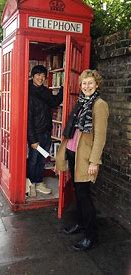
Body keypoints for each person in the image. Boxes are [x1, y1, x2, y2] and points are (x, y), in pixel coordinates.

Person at [56, 69, 109, 251]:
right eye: (84, 83)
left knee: (85, 196)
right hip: (73, 153)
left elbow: (100, 136)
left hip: (85, 158)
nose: (86, 86)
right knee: (78, 193)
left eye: (90, 83)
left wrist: (94, 161)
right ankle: (80, 223)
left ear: (97, 85)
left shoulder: (99, 104)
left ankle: (91, 236)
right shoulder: (81, 102)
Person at [27, 65, 63, 197]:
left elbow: (54, 102)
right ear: (33, 76)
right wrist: (32, 139)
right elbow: (28, 119)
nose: (41, 78)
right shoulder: (27, 91)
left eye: (43, 76)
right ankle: (30, 183)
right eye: (38, 75)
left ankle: (39, 181)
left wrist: (63, 90)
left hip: (46, 132)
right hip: (35, 133)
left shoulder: (45, 91)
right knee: (33, 159)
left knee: (42, 159)